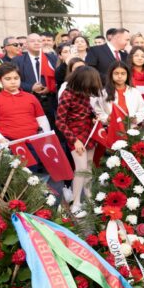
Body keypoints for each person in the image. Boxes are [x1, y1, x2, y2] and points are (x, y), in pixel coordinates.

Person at [56, 66, 102, 218]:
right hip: (75, 137)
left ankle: (89, 199)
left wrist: (94, 116)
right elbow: (60, 122)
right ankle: (75, 204)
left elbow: (87, 111)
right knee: (80, 169)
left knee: (88, 168)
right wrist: (74, 140)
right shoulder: (67, 95)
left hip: (89, 134)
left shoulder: (85, 94)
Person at [0, 63, 51, 146]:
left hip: (34, 141)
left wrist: (47, 138)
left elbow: (42, 119)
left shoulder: (31, 97)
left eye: (16, 78)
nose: (13, 82)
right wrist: (0, 139)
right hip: (8, 143)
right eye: (8, 79)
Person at [12, 33, 58, 128]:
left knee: (53, 128)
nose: (36, 43)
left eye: (39, 41)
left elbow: (59, 78)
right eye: (32, 41)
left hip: (51, 100)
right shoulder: (18, 60)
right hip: (28, 100)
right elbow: (14, 80)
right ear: (26, 44)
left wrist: (50, 87)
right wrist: (31, 87)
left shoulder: (52, 58)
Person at [92, 61, 144, 129]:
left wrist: (135, 118)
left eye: (123, 73)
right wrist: (107, 118)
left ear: (127, 75)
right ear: (111, 75)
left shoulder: (134, 92)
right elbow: (98, 111)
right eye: (116, 73)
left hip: (131, 129)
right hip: (110, 129)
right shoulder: (104, 93)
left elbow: (143, 110)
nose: (120, 76)